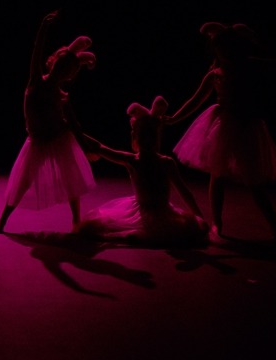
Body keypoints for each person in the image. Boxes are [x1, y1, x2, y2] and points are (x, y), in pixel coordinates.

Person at [165, 22, 276, 242]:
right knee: (218, 175)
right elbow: (195, 100)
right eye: (220, 49)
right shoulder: (215, 74)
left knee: (254, 179)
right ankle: (217, 223)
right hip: (224, 125)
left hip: (246, 124)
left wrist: (256, 40)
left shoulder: (250, 66)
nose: (225, 52)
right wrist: (174, 118)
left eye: (228, 48)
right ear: (216, 51)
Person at [0, 10, 98, 235]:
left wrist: (85, 144)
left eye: (65, 70)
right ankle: (2, 222)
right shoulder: (36, 81)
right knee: (23, 182)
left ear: (68, 75)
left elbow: (73, 123)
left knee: (71, 180)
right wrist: (44, 26)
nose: (60, 71)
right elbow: (36, 53)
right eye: (59, 65)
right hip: (37, 141)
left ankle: (76, 222)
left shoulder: (61, 95)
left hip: (58, 138)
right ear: (53, 62)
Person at [77, 96, 209, 247]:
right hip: (144, 212)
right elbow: (100, 148)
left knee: (163, 232)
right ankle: (138, 233)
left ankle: (139, 234)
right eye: (145, 136)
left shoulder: (162, 162)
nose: (147, 140)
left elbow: (184, 192)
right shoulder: (137, 161)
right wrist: (75, 132)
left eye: (150, 136)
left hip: (162, 212)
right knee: (99, 228)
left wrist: (199, 218)